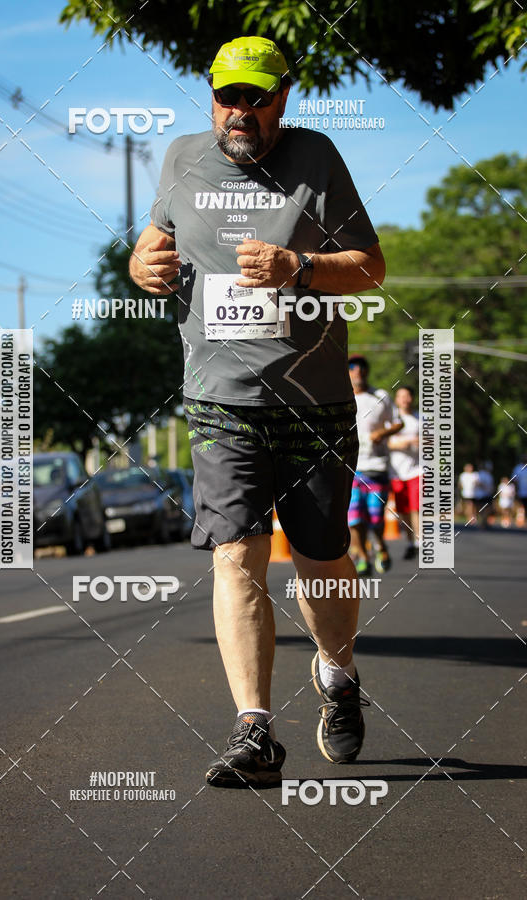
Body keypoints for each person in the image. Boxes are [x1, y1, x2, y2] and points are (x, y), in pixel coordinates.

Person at [129, 36, 385, 786]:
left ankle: (338, 676)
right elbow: (151, 245)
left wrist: (299, 266)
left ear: (282, 99)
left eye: (256, 97)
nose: (238, 111)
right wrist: (140, 265)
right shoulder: (180, 158)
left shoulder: (317, 159)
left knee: (320, 561)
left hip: (315, 401)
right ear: (210, 96)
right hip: (219, 402)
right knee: (236, 557)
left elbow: (370, 266)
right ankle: (255, 732)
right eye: (226, 96)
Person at [347, 356, 403, 576]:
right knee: (355, 517)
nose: (357, 371)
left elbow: (399, 422)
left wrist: (383, 432)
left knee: (376, 516)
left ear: (367, 371)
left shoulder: (381, 397)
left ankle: (380, 545)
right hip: (352, 468)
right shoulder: (340, 397)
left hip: (377, 468)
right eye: (352, 367)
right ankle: (362, 556)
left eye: (362, 367)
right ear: (347, 372)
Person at [388, 385, 421, 559]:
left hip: (417, 470)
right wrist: (407, 442)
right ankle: (410, 542)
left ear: (412, 398)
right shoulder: (391, 419)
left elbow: (430, 441)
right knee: (404, 510)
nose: (405, 399)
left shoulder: (420, 419)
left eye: (408, 396)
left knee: (416, 506)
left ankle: (419, 541)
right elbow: (386, 442)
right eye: (401, 396)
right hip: (396, 472)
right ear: (396, 399)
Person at [511, 456, 527, 527]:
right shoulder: (518, 468)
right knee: (521, 506)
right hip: (521, 492)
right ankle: (520, 520)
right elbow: (515, 480)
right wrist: (516, 490)